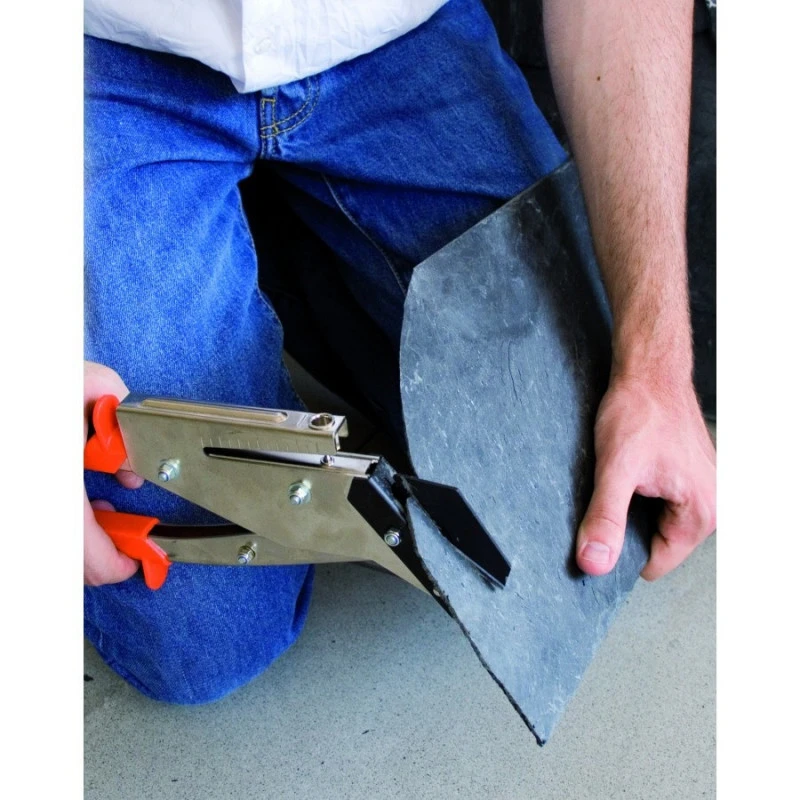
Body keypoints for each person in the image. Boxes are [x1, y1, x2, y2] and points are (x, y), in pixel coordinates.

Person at [84, 0, 716, 703]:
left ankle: (301, 250)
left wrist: (657, 366)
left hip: (388, 33)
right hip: (105, 60)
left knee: (583, 486)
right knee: (207, 638)